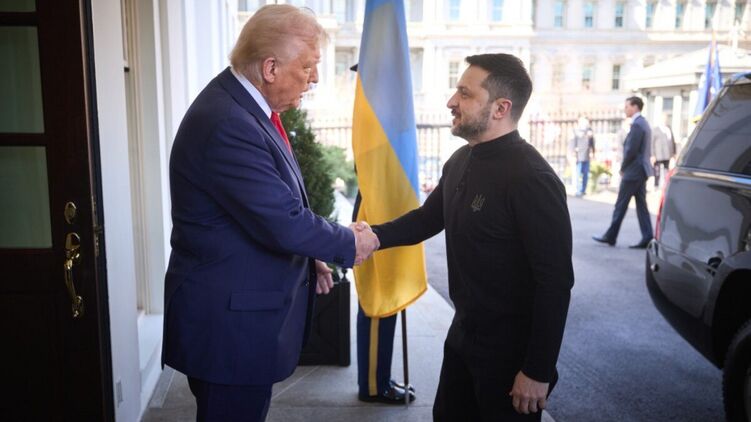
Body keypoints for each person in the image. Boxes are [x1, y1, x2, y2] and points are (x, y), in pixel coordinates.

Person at [161, 5, 379, 421]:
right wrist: (349, 242)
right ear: (271, 67)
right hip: (229, 332)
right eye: (308, 66)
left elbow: (262, 210)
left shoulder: (242, 109)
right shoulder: (229, 122)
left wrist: (310, 254)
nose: (315, 78)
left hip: (235, 320)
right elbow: (283, 220)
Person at [359, 53, 574, 421]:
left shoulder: (532, 178)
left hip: (511, 360)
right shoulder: (460, 160)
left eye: (465, 93)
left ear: (501, 108)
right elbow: (426, 219)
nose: (451, 101)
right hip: (462, 339)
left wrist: (537, 371)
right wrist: (371, 237)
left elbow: (555, 283)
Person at [349, 62, 417, 405]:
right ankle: (375, 386)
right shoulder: (378, 121)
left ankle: (379, 378)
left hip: (381, 211)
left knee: (382, 302)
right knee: (378, 303)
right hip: (378, 213)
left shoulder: (380, 119)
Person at [592, 96, 654, 249]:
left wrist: (623, 168)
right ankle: (647, 236)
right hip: (640, 171)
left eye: (627, 106)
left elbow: (631, 150)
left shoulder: (637, 125)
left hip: (633, 171)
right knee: (641, 206)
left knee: (621, 205)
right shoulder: (643, 123)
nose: (625, 109)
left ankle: (611, 236)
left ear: (635, 107)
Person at [569, 115, 595, 196]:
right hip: (578, 155)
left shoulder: (589, 130)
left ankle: (583, 190)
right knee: (578, 173)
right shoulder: (575, 130)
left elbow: (592, 142)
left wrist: (593, 152)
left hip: (587, 155)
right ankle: (578, 190)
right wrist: (573, 152)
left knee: (586, 174)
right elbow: (572, 142)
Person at [652, 113, 675, 189]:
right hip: (658, 154)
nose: (665, 120)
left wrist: (673, 154)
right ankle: (656, 185)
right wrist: (653, 155)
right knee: (657, 171)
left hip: (667, 154)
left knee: (666, 170)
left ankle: (665, 185)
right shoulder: (655, 130)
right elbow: (652, 143)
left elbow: (672, 141)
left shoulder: (669, 129)